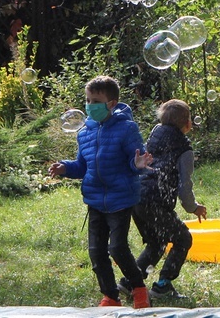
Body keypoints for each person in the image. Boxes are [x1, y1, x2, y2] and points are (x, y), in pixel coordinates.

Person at [48, 75, 153, 309]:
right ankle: (110, 296)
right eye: (87, 100)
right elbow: (82, 166)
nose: (89, 105)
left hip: (120, 198)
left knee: (117, 247)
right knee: (96, 252)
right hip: (95, 200)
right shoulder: (84, 132)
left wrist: (136, 165)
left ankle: (138, 287)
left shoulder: (126, 128)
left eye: (95, 100)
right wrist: (66, 168)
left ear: (111, 103)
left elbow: (134, 159)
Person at [118, 99, 207, 300]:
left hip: (137, 197)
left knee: (156, 242)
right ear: (188, 124)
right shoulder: (184, 149)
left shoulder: (154, 135)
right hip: (155, 201)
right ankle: (163, 285)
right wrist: (193, 208)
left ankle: (129, 283)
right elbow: (185, 186)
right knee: (183, 238)